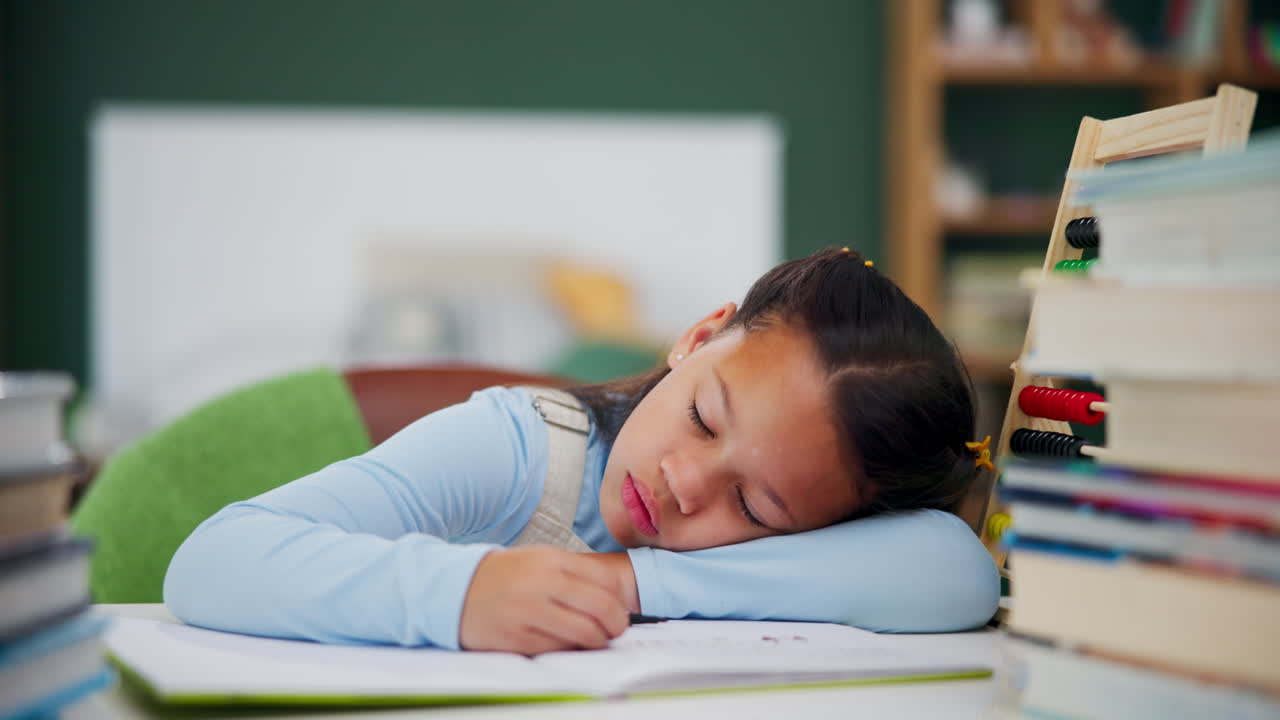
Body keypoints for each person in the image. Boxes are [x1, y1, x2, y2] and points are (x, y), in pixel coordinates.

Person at [164, 248, 999, 655]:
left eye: (754, 506)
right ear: (699, 337)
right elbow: (214, 559)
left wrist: (629, 580)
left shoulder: (799, 555)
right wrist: (461, 594)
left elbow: (955, 572)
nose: (682, 482)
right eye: (704, 418)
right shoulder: (516, 448)